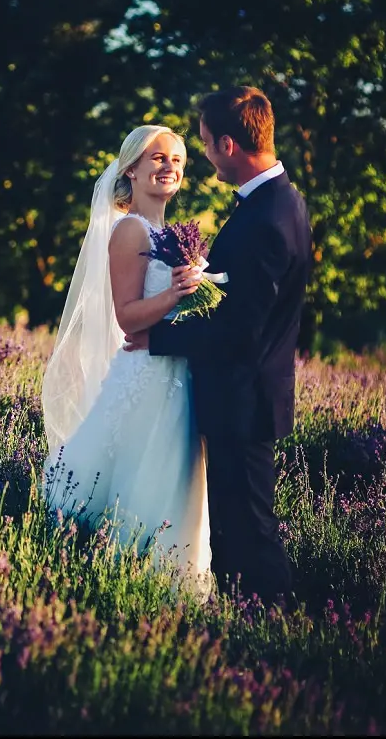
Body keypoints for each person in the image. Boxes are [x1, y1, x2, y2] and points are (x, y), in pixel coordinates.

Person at [124, 87, 313, 611]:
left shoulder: (267, 220)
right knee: (232, 524)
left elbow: (238, 332)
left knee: (250, 527)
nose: (205, 156)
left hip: (243, 398)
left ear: (229, 144)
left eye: (206, 144)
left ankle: (273, 627)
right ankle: (237, 618)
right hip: (241, 395)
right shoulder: (277, 203)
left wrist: (156, 336)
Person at [41, 124, 213, 602]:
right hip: (149, 378)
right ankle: (131, 580)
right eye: (158, 159)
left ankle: (171, 582)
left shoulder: (170, 234)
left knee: (178, 477)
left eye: (177, 160)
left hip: (178, 374)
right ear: (132, 169)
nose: (169, 168)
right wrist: (178, 292)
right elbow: (127, 318)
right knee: (149, 471)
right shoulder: (131, 229)